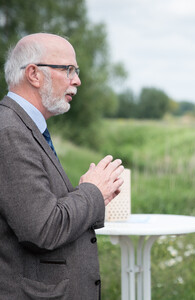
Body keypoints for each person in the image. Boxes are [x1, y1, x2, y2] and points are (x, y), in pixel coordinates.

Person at [0, 33, 124, 299]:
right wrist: (91, 192)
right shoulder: (10, 131)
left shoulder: (24, 126)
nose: (77, 80)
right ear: (33, 74)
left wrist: (93, 195)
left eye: (75, 71)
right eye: (68, 69)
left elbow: (38, 211)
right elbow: (42, 229)